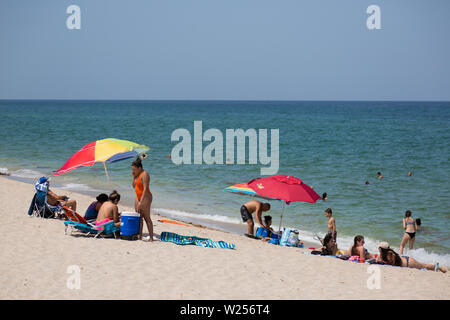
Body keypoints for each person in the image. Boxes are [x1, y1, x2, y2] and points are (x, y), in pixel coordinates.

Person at [378, 242, 446, 273]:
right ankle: (436, 267)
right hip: (406, 259)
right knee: (424, 265)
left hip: (409, 263)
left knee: (424, 266)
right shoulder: (389, 253)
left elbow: (390, 264)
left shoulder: (389, 255)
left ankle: (439, 267)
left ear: (381, 249)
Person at [132, 156, 153, 242]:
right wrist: (133, 177)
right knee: (139, 217)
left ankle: (151, 237)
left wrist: (141, 201)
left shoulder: (144, 174)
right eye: (132, 169)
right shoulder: (137, 175)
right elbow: (134, 186)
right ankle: (139, 235)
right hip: (138, 196)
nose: (132, 171)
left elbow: (145, 188)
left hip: (146, 197)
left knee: (146, 217)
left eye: (134, 169)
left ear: (139, 168)